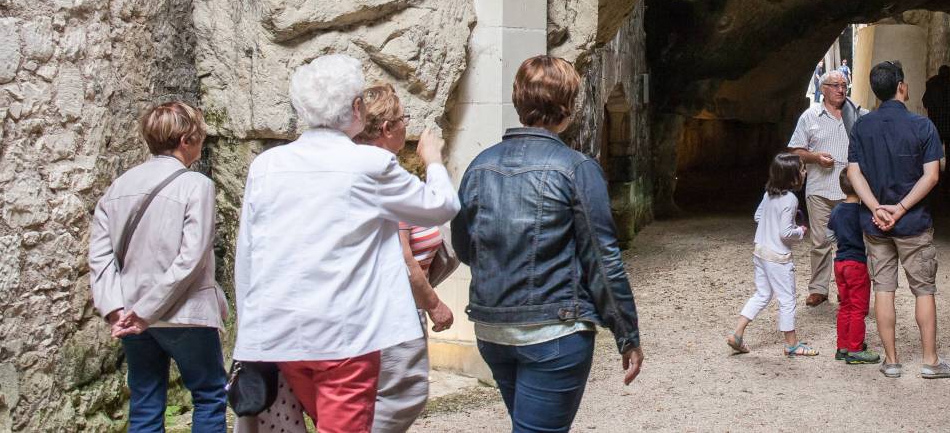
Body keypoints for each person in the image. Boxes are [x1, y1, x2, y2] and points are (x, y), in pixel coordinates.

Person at [234, 54, 460, 433]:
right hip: (344, 337)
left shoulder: (268, 165)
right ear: (356, 107)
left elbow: (249, 253)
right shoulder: (368, 164)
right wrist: (434, 161)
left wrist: (249, 328)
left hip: (280, 332)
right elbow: (441, 206)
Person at [452, 55, 644, 431]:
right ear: (569, 106)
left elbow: (464, 248)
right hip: (555, 332)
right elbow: (602, 260)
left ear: (519, 102)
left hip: (492, 330)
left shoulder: (479, 166)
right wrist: (627, 335)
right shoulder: (576, 168)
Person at [88, 101, 228, 433]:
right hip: (185, 312)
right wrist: (150, 309)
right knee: (209, 395)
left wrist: (116, 309)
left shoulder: (118, 186)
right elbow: (191, 258)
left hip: (132, 312)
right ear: (186, 140)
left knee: (146, 401)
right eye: (200, 136)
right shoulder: (196, 185)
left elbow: (100, 256)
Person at [846, 60, 950, 379]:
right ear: (901, 86)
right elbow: (932, 176)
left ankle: (892, 361)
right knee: (923, 290)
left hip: (875, 225)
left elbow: (853, 172)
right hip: (913, 223)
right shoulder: (922, 126)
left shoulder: (861, 126)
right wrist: (900, 208)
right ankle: (930, 361)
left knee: (883, 289)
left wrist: (876, 208)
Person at [350, 83, 458, 433]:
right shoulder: (380, 176)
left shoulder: (379, 172)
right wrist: (434, 304)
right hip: (390, 312)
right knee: (399, 399)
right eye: (402, 119)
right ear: (387, 129)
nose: (406, 126)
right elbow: (404, 260)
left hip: (384, 309)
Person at [786, 70, 865, 308]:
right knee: (820, 241)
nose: (841, 90)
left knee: (849, 241)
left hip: (850, 191)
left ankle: (846, 288)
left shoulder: (857, 114)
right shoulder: (809, 117)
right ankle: (818, 289)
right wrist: (815, 157)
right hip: (819, 189)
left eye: (844, 85)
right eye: (835, 85)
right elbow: (795, 151)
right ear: (823, 89)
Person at [726, 152, 817, 357]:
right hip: (778, 257)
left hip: (760, 251)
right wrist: (800, 231)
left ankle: (737, 334)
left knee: (762, 294)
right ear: (792, 177)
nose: (805, 172)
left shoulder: (769, 194)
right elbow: (785, 233)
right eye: (802, 169)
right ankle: (791, 344)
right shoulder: (791, 199)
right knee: (787, 299)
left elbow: (758, 216)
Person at [828, 171, 881, 364]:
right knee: (859, 308)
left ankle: (842, 346)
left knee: (845, 306)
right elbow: (870, 237)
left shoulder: (836, 210)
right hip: (857, 263)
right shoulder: (862, 212)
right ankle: (855, 349)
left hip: (839, 262)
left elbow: (829, 236)